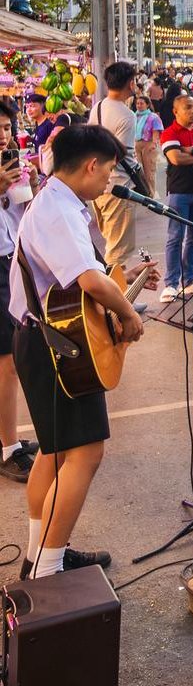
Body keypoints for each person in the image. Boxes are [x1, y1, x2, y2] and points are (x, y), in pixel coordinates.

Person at [11, 124, 158, 577]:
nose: (109, 182)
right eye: (109, 172)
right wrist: (129, 316)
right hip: (56, 346)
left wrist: (126, 275)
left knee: (56, 453)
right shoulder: (57, 209)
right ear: (91, 165)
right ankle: (49, 569)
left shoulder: (60, 202)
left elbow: (83, 273)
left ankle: (43, 552)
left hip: (47, 338)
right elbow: (89, 282)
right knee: (85, 452)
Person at [0, 102, 39, 484]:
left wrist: (30, 190)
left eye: (7, 127)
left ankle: (7, 440)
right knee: (7, 362)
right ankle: (8, 450)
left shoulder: (12, 165)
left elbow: (18, 218)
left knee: (12, 357)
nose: (3, 134)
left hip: (10, 260)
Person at [159, 92, 193, 302]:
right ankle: (171, 284)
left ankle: (189, 280)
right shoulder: (169, 132)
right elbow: (175, 158)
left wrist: (190, 151)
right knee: (175, 238)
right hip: (179, 192)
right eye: (187, 108)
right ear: (175, 111)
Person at [88, 61, 138, 270]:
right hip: (119, 186)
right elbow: (120, 153)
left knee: (112, 242)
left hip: (98, 187)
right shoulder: (127, 115)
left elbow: (89, 141)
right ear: (131, 84)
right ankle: (117, 300)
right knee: (118, 251)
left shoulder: (98, 107)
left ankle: (119, 296)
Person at [132, 94, 163, 198]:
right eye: (137, 103)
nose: (139, 105)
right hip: (136, 144)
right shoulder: (133, 115)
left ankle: (150, 194)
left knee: (149, 172)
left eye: (141, 103)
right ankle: (141, 193)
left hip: (148, 145)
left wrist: (153, 144)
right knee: (138, 171)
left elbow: (156, 132)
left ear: (147, 105)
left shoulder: (153, 117)